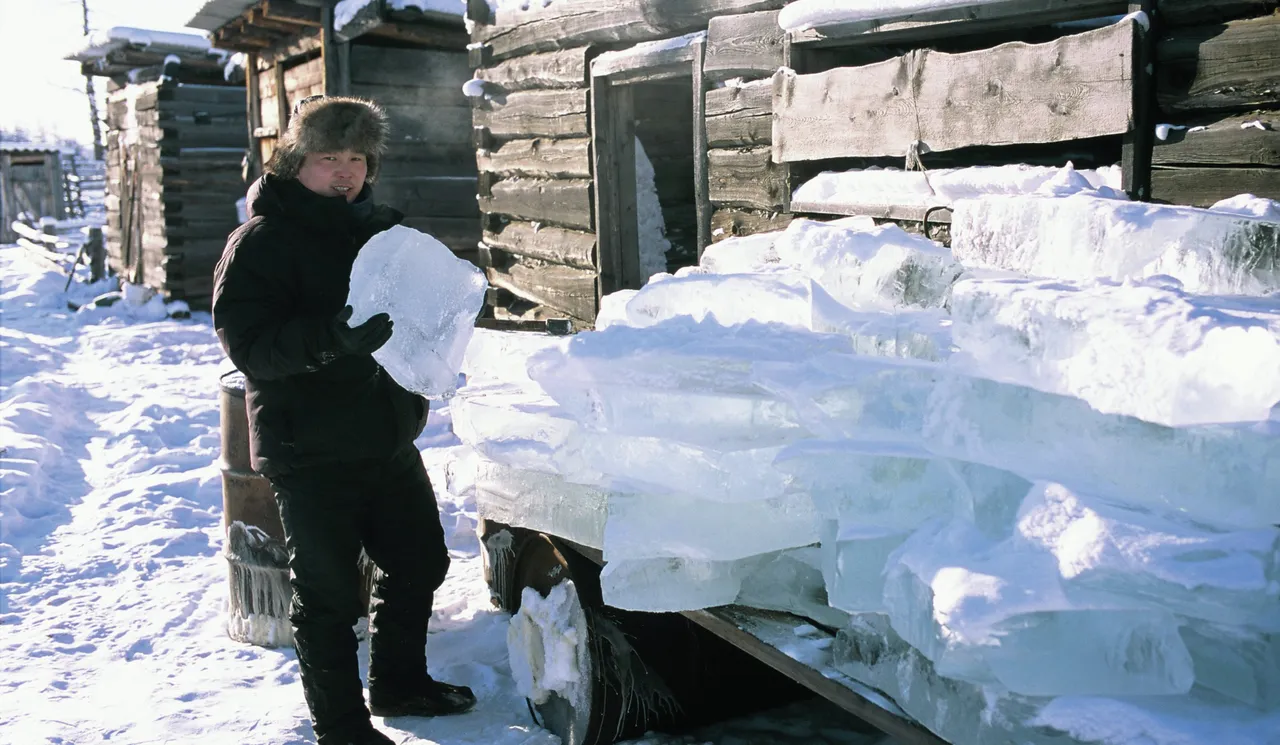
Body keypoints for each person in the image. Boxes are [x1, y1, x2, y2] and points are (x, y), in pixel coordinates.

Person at [212, 96, 476, 745]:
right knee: (328, 596)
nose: (346, 171)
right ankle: (341, 728)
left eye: (357, 157)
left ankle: (400, 682)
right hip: (308, 448)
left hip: (385, 435)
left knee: (419, 561)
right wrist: (330, 339)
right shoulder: (261, 242)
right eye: (329, 157)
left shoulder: (382, 236)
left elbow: (416, 315)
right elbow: (250, 344)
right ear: (296, 162)